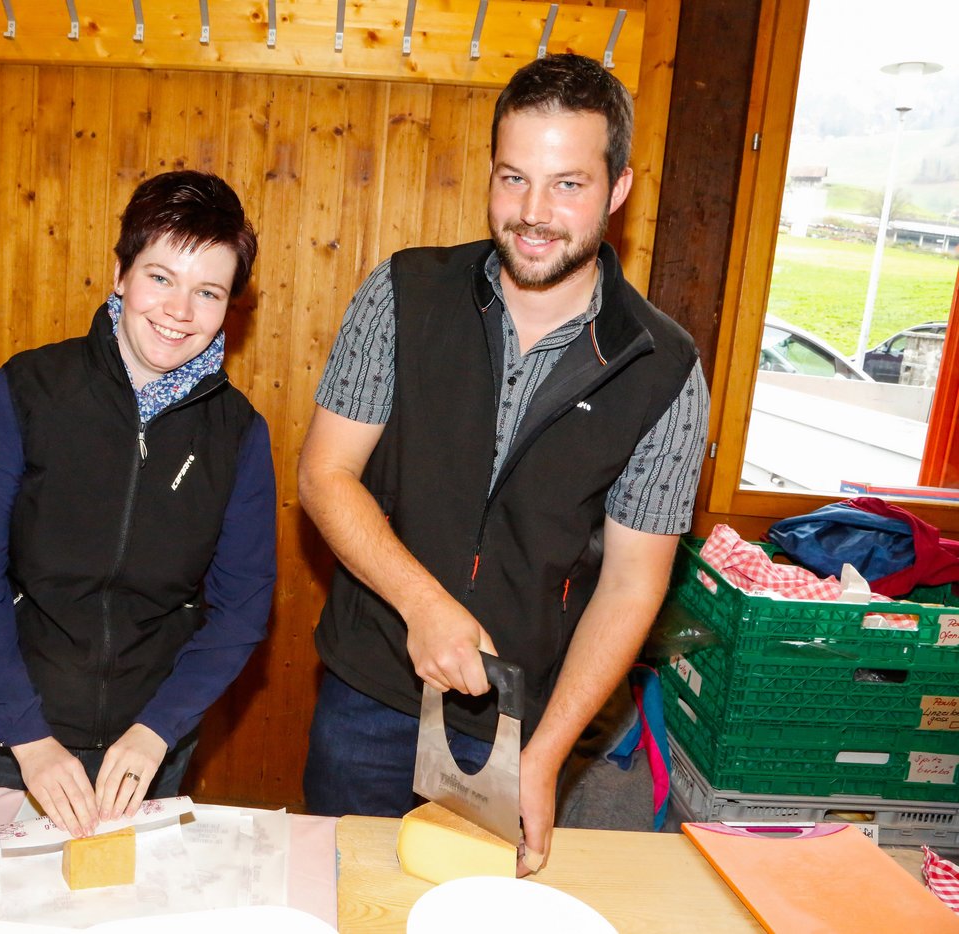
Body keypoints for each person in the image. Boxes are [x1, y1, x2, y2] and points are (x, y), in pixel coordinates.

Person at [297, 53, 708, 874]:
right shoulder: (402, 291)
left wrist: (545, 756)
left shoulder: (665, 369)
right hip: (370, 690)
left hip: (525, 721)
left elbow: (634, 584)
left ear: (618, 189)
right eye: (513, 178)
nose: (533, 213)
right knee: (346, 901)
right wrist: (422, 604)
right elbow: (324, 474)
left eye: (568, 184)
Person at [0, 170, 276, 837]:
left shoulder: (238, 434)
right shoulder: (25, 392)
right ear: (121, 274)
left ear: (228, 306)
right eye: (160, 277)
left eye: (207, 292)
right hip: (11, 733)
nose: (180, 311)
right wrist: (26, 735)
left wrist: (159, 729)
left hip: (147, 745)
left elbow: (242, 608)